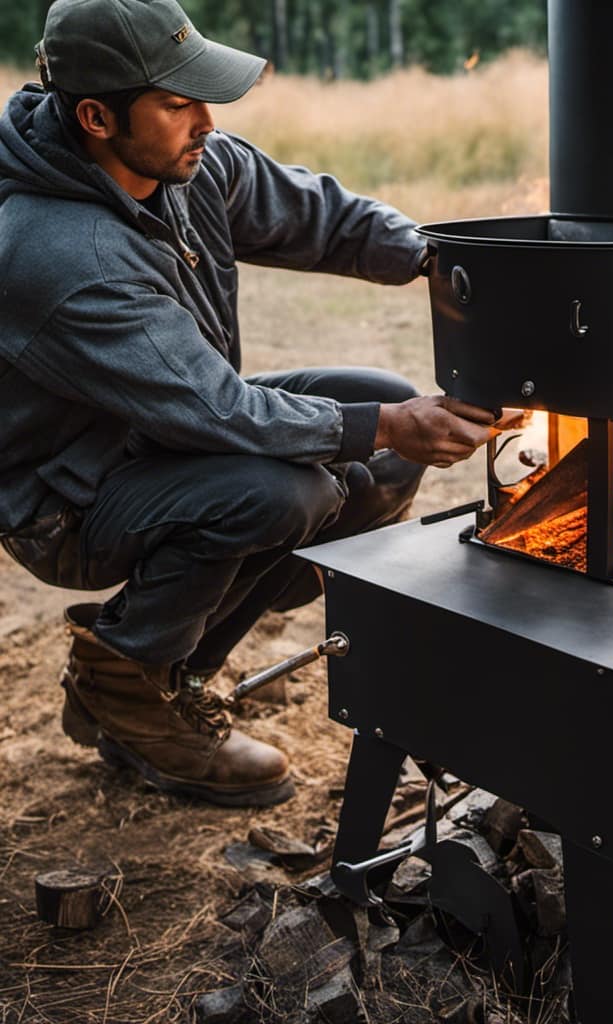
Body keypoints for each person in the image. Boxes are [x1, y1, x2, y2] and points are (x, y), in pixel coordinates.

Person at [0, 0, 498, 807]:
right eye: (178, 102)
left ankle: (182, 664)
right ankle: (128, 694)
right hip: (69, 500)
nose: (206, 120)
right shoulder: (57, 252)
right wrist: (381, 429)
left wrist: (436, 258)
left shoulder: (185, 163)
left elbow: (319, 217)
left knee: (376, 417)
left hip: (160, 434)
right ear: (96, 115)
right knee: (288, 488)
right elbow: (216, 410)